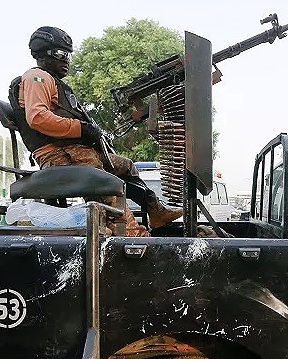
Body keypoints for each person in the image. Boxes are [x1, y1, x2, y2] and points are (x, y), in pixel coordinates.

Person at [10, 26, 183, 236]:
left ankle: (156, 212)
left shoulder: (54, 82)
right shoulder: (37, 77)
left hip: (74, 150)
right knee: (103, 184)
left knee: (126, 166)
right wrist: (81, 128)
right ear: (43, 53)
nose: (67, 60)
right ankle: (132, 235)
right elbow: (37, 118)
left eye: (68, 54)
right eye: (61, 54)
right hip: (59, 154)